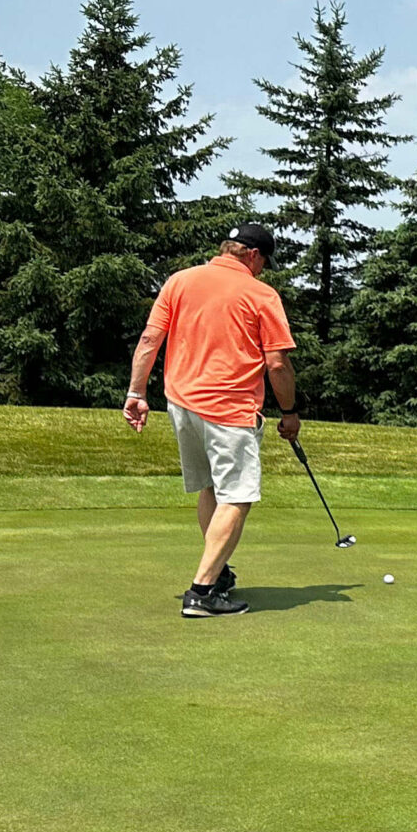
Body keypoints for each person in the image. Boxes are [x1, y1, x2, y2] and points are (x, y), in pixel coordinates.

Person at [123, 224, 300, 617]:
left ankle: (217, 573)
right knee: (237, 496)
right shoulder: (260, 294)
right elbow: (277, 364)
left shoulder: (180, 280)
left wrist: (136, 393)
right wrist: (289, 412)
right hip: (230, 409)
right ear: (253, 255)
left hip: (182, 404)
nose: (263, 269)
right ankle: (202, 592)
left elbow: (150, 340)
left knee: (211, 488)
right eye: (264, 262)